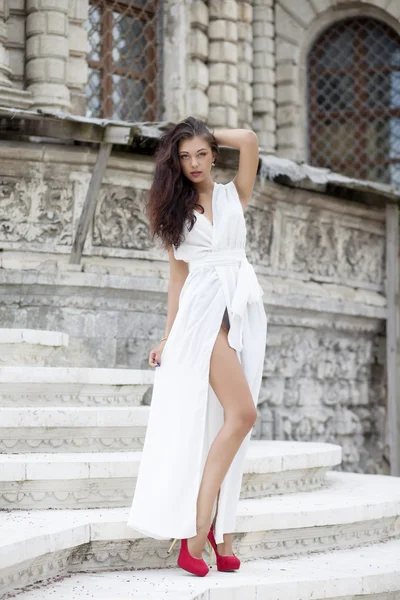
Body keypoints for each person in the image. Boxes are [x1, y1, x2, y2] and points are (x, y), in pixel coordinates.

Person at [126, 116, 267, 577]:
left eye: (201, 154)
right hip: (202, 319)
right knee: (242, 415)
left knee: (224, 424)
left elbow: (248, 139)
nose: (193, 163)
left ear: (212, 154)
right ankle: (194, 534)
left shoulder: (232, 195)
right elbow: (177, 280)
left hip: (243, 310)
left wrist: (194, 132)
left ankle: (221, 533)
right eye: (183, 157)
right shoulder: (175, 210)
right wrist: (167, 336)